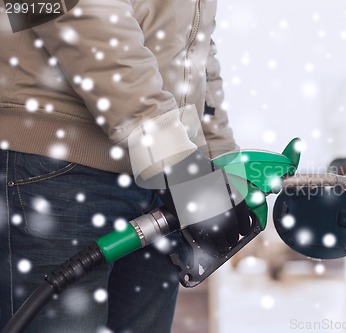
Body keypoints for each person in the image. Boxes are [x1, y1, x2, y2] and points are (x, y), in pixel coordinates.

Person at [0, 0, 241, 331]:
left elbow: (194, 42)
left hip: (162, 174)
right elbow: (74, 8)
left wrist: (216, 159)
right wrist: (172, 150)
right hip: (60, 164)